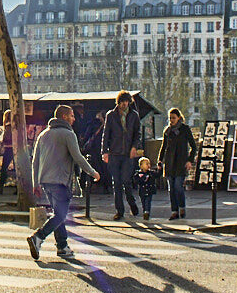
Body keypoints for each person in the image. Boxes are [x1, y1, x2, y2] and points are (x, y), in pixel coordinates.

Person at [26, 105, 100, 260]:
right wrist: (92, 172)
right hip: (60, 181)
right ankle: (38, 237)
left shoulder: (43, 134)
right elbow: (78, 157)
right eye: (72, 115)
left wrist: (36, 183)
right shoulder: (68, 134)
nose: (74, 118)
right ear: (65, 117)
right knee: (61, 215)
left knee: (58, 214)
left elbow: (35, 161)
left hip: (45, 182)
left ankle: (62, 246)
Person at [101, 90, 142, 220]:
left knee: (126, 180)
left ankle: (132, 203)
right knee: (117, 182)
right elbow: (106, 134)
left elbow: (137, 134)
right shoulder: (111, 115)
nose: (124, 105)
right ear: (118, 103)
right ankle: (120, 210)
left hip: (127, 153)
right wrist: (104, 151)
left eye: (126, 102)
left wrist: (134, 147)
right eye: (122, 102)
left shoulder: (134, 115)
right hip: (114, 152)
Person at [157, 107, 197, 221]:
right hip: (169, 163)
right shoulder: (167, 131)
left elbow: (193, 146)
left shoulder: (185, 129)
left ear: (179, 118)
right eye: (170, 118)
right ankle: (174, 211)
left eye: (173, 118)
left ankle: (182, 207)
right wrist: (160, 160)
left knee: (178, 187)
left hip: (180, 163)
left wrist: (189, 160)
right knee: (171, 189)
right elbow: (163, 147)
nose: (171, 120)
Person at [132, 156, 159, 221]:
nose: (148, 165)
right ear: (141, 166)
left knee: (148, 201)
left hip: (150, 190)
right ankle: (145, 211)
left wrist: (160, 169)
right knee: (143, 202)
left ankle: (147, 212)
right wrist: (143, 178)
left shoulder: (151, 172)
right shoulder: (138, 174)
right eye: (146, 164)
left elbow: (157, 175)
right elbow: (136, 181)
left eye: (149, 164)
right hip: (142, 191)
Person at [0, 110, 14, 194]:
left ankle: (0, 187)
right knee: (16, 169)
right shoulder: (16, 126)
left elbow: (6, 138)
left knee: (4, 168)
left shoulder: (8, 126)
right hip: (16, 148)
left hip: (9, 148)